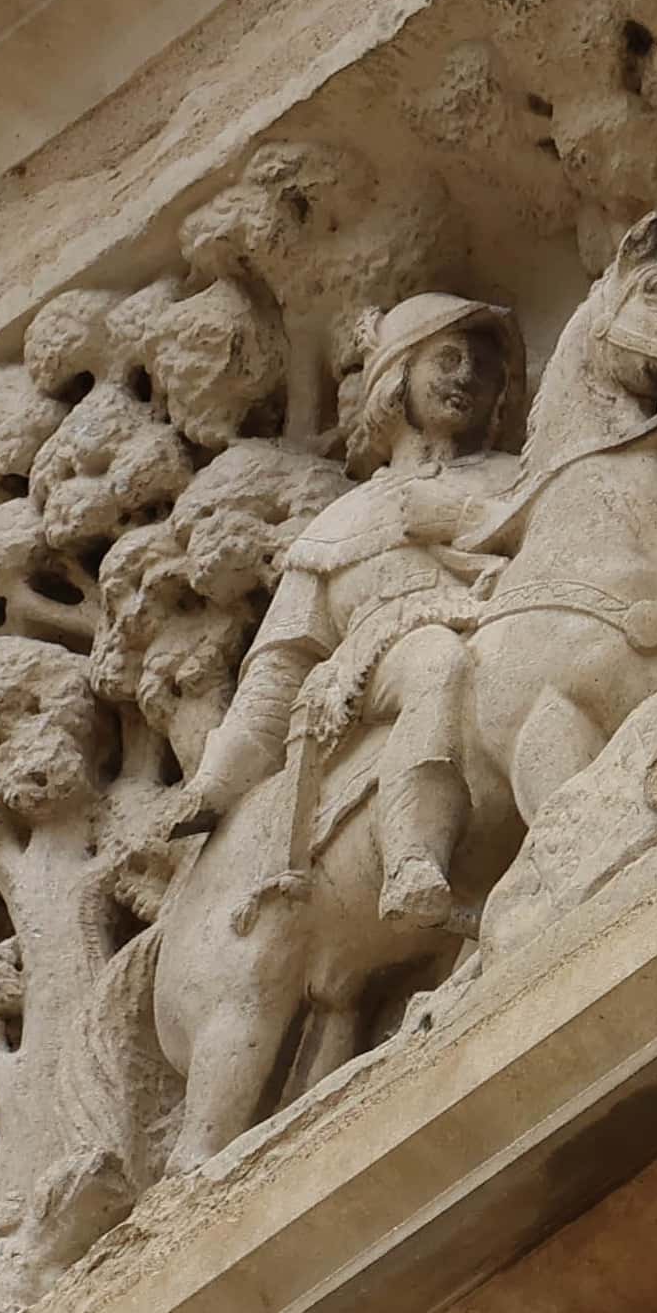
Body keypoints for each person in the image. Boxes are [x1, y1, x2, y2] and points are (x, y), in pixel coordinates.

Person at [202, 296, 520, 928]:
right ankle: (412, 859)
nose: (467, 378)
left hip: (507, 616)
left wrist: (464, 518)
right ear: (395, 381)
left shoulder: (516, 478)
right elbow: (281, 665)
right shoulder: (337, 524)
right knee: (436, 659)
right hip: (379, 666)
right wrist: (215, 782)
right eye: (448, 360)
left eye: (483, 368)